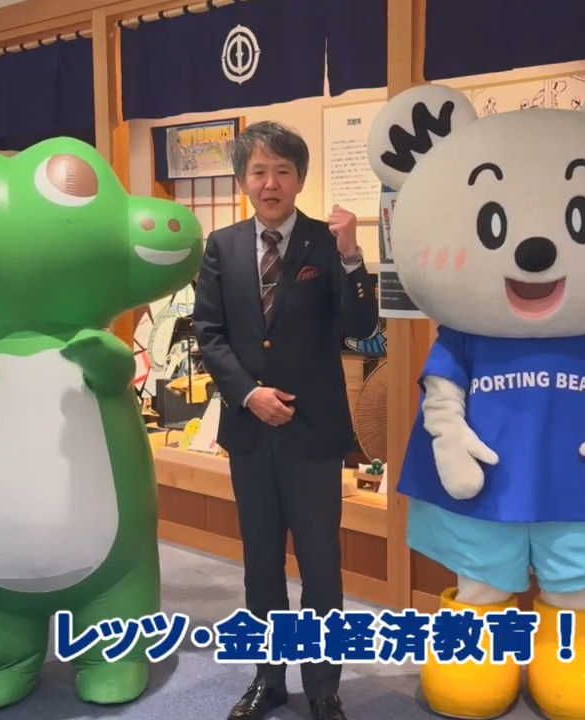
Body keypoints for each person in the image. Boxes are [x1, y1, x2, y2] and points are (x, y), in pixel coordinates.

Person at [193, 120, 379, 720]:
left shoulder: (327, 243)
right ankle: (267, 680)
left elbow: (361, 328)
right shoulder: (221, 246)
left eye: (282, 171)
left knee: (321, 567)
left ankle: (324, 689)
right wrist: (248, 394)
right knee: (261, 565)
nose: (270, 183)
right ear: (243, 180)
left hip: (312, 430)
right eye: (259, 171)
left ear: (299, 179)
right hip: (250, 430)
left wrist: (352, 257)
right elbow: (209, 333)